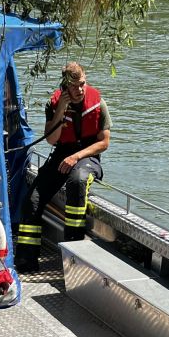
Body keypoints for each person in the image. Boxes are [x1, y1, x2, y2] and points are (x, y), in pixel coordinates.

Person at [16, 62, 111, 271]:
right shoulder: (54, 105)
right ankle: (26, 259)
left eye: (82, 84)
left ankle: (73, 250)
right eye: (74, 86)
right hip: (61, 153)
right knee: (32, 199)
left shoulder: (98, 103)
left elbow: (104, 143)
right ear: (65, 86)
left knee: (77, 181)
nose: (79, 90)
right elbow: (51, 140)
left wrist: (77, 156)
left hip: (88, 156)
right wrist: (61, 110)